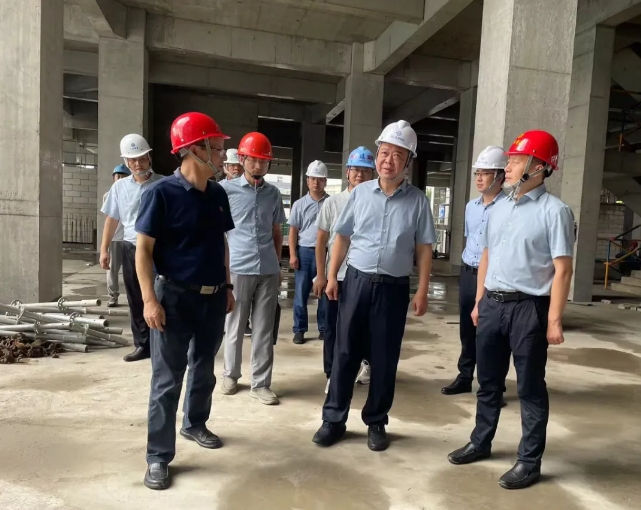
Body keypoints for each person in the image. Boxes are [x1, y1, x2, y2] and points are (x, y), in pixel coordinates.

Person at [447, 130, 575, 490]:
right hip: (492, 304)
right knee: (488, 381)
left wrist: (554, 320)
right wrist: (479, 301)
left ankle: (529, 462)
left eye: (517, 160)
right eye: (510, 160)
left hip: (529, 309)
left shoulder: (555, 212)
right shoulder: (500, 206)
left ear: (540, 167)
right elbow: (487, 255)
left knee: (530, 387)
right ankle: (480, 441)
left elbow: (563, 270)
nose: (509, 166)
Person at [312, 120, 437, 451]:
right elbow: (342, 237)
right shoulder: (360, 194)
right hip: (356, 281)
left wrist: (422, 289)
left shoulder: (418, 201)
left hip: (393, 288)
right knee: (344, 352)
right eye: (384, 153)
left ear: (408, 162)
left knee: (384, 357)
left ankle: (376, 421)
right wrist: (332, 275)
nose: (388, 161)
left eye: (397, 155)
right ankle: (333, 419)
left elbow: (424, 249)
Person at [134, 112, 235, 491]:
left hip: (212, 298)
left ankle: (194, 423)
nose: (223, 155)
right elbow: (143, 251)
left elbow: (221, 243)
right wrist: (149, 300)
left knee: (204, 368)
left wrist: (227, 285)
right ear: (194, 149)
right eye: (218, 148)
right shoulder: (160, 194)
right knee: (167, 380)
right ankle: (158, 456)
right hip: (173, 298)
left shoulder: (218, 194)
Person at [219, 132, 286, 406]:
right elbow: (219, 233)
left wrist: (277, 265)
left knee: (263, 328)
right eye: (253, 160)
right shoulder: (226, 191)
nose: (258, 166)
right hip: (238, 268)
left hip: (268, 269)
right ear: (242, 159)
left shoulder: (273, 194)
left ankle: (261, 383)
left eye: (263, 161)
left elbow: (277, 231)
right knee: (234, 325)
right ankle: (230, 375)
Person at [442, 146, 507, 397]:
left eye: (485, 173)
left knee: (492, 333)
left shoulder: (508, 208)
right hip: (469, 273)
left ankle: (494, 386)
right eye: (477, 173)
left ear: (500, 176)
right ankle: (465, 376)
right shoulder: (472, 206)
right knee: (467, 329)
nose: (479, 178)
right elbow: (471, 240)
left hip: (493, 277)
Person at [313, 147, 376, 394]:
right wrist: (322, 275)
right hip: (337, 277)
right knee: (333, 327)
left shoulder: (377, 202)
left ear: (372, 174)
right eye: (356, 170)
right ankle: (332, 373)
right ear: (347, 172)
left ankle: (366, 365)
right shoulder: (333, 203)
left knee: (364, 326)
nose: (360, 175)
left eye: (365, 171)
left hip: (365, 277)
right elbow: (321, 241)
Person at [100, 134, 162, 362]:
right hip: (132, 249)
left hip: (161, 249)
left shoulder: (164, 184)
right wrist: (104, 249)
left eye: (142, 158)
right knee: (136, 297)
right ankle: (143, 345)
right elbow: (112, 219)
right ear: (126, 162)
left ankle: (163, 345)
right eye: (132, 160)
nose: (138, 164)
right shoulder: (119, 188)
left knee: (162, 296)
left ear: (149, 157)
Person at [288, 160, 329, 344]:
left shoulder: (331, 203)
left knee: (325, 294)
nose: (316, 183)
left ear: (325, 181)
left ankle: (324, 329)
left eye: (320, 179)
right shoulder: (299, 204)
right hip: (304, 252)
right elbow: (293, 231)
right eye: (313, 178)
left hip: (326, 253)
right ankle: (299, 330)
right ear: (307, 181)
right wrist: (292, 254)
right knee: (300, 294)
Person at [103, 164, 131, 307]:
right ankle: (113, 296)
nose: (120, 179)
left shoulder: (132, 193)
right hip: (115, 239)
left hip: (130, 239)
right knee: (112, 269)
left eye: (123, 176)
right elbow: (110, 219)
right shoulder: (108, 196)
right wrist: (104, 248)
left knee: (131, 270)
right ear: (113, 178)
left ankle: (134, 297)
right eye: (117, 176)